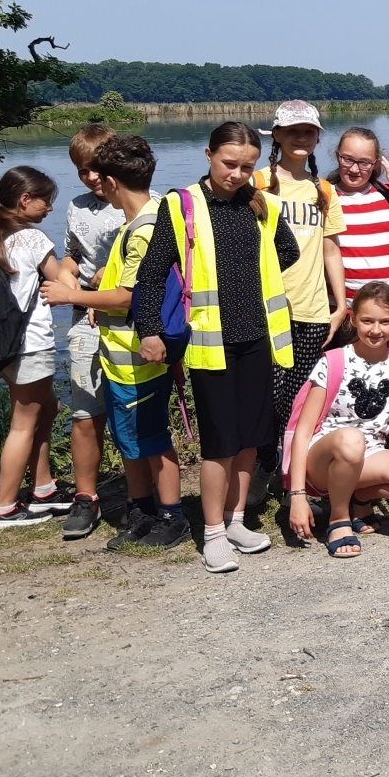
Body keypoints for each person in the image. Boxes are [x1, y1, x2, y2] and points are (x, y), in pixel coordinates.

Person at [136, 121, 300, 573]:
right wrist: (150, 329)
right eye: (229, 164)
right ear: (208, 155)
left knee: (251, 439)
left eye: (247, 166)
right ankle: (210, 532)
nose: (238, 174)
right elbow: (151, 274)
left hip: (257, 338)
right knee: (219, 444)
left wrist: (249, 278)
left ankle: (236, 519)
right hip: (211, 343)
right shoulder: (181, 206)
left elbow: (286, 251)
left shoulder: (261, 205)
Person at [45, 134, 188, 550]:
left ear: (109, 182)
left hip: (140, 358)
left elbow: (132, 294)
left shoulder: (144, 228)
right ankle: (141, 510)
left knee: (153, 439)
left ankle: (171, 515)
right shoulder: (141, 220)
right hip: (122, 359)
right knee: (130, 439)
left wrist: (72, 296)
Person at [285, 283, 389, 559]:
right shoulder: (333, 361)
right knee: (351, 439)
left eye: (385, 321)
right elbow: (303, 432)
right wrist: (297, 495)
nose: (376, 330)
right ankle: (338, 519)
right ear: (352, 319)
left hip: (369, 454)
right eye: (367, 320)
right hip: (323, 457)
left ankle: (361, 497)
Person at [251, 100, 346, 505]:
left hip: (311, 309)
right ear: (276, 135)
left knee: (300, 400)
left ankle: (294, 477)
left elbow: (330, 249)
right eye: (292, 131)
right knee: (266, 397)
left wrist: (340, 304)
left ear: (318, 137)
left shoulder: (323, 190)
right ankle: (262, 466)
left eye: (308, 131)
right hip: (265, 309)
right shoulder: (255, 182)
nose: (301, 138)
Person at [0, 167, 66, 529]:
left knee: (48, 406)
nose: (50, 208)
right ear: (25, 200)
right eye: (46, 200)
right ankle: (4, 507)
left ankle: (43, 486)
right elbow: (62, 281)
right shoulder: (32, 240)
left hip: (1, 346)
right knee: (23, 424)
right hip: (30, 344)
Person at [53, 122, 123, 539]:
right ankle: (86, 497)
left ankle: (142, 496)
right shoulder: (77, 206)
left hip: (125, 318)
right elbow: (72, 256)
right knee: (85, 412)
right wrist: (66, 278)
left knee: (133, 411)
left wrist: (101, 283)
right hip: (84, 319)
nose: (93, 177)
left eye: (98, 168)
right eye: (84, 170)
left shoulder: (142, 202)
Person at [330, 126, 389, 313]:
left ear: (376, 164)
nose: (354, 169)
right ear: (338, 156)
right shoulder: (326, 196)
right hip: (346, 309)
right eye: (348, 159)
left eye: (364, 163)